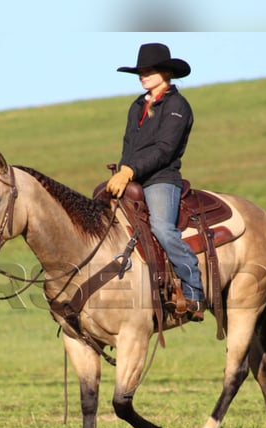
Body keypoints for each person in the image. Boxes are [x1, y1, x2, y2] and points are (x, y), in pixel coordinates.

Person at [106, 42, 205, 321]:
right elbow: (128, 145)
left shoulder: (177, 105)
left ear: (165, 72)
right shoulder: (137, 105)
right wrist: (122, 172)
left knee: (162, 228)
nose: (143, 75)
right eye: (140, 71)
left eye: (149, 71)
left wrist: (130, 171)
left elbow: (164, 149)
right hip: (133, 177)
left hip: (161, 179)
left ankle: (194, 290)